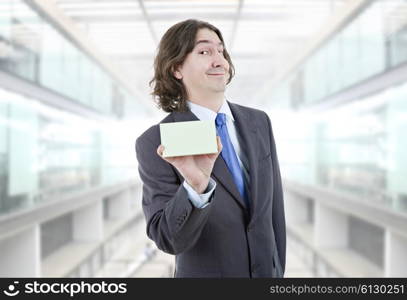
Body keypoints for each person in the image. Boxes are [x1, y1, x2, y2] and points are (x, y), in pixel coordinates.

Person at [135, 19, 286, 278]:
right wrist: (194, 188)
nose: (220, 60)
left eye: (221, 50)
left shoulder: (258, 122)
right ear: (176, 69)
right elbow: (168, 238)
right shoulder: (157, 141)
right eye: (205, 52)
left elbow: (274, 214)